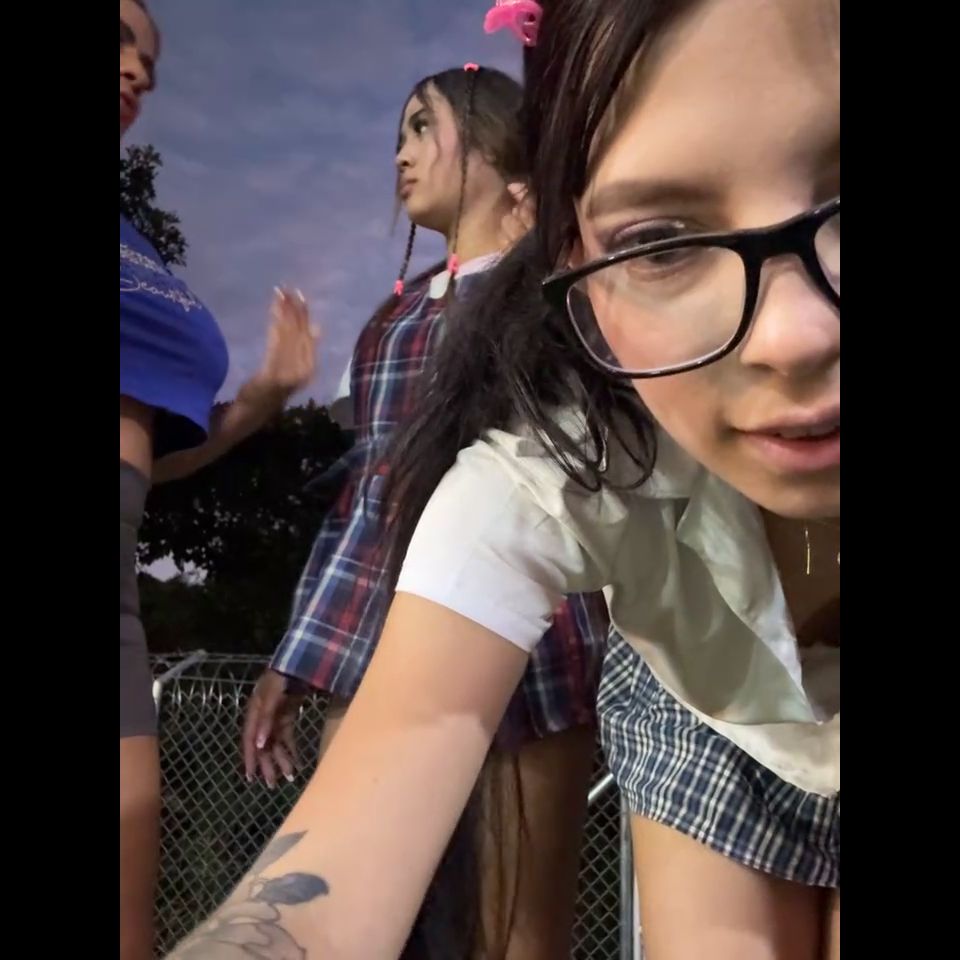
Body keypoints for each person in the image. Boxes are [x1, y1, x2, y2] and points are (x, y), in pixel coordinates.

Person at [168, 0, 840, 957]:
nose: (796, 336)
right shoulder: (544, 456)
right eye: (659, 243)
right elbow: (379, 524)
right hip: (693, 700)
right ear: (579, 266)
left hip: (556, 660)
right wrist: (301, 650)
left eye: (423, 127)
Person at [240, 65, 609, 959]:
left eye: (420, 127)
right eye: (397, 135)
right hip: (376, 651)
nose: (400, 155)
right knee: (351, 917)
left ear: (494, 148)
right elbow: (364, 505)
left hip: (534, 647)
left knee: (517, 932)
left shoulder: (564, 298)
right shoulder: (388, 325)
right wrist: (296, 656)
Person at [120, 3, 317, 958]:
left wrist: (266, 396)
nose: (140, 72)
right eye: (119, 41)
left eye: (151, 63)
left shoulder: (135, 238)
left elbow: (150, 464)